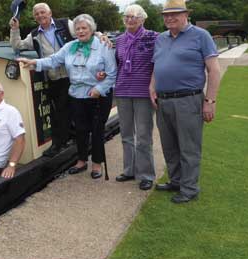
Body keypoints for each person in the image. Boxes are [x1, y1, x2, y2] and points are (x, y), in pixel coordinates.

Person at [18, 14, 116, 179]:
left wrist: (99, 88)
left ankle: (97, 164)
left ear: (91, 30)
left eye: (84, 28)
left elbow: (112, 74)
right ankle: (82, 160)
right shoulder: (70, 46)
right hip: (77, 94)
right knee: (80, 129)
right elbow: (54, 60)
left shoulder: (104, 47)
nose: (80, 31)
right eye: (77, 28)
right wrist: (35, 63)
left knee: (97, 130)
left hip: (98, 96)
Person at [150, 0, 221, 203]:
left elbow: (214, 71)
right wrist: (152, 87)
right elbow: (157, 66)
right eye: (166, 15)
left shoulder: (201, 35)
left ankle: (189, 188)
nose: (169, 18)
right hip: (163, 101)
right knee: (169, 145)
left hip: (188, 100)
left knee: (189, 147)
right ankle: (176, 181)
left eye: (175, 14)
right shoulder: (161, 38)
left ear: (186, 15)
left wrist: (210, 101)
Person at [10, 2, 74, 157]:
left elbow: (85, 32)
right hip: (53, 78)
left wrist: (100, 36)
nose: (40, 15)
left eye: (42, 12)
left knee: (69, 110)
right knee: (58, 111)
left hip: (73, 76)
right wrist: (14, 29)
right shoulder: (34, 35)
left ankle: (67, 140)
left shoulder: (66, 24)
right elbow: (17, 45)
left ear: (50, 13)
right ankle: (61, 142)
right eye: (37, 14)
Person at [114, 4, 159, 191]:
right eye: (127, 16)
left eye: (134, 16)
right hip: (123, 91)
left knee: (143, 136)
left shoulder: (153, 37)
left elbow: (158, 62)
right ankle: (129, 170)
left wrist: (154, 86)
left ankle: (146, 174)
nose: (130, 19)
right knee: (126, 135)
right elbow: (116, 63)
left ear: (142, 19)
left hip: (143, 93)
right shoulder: (119, 40)